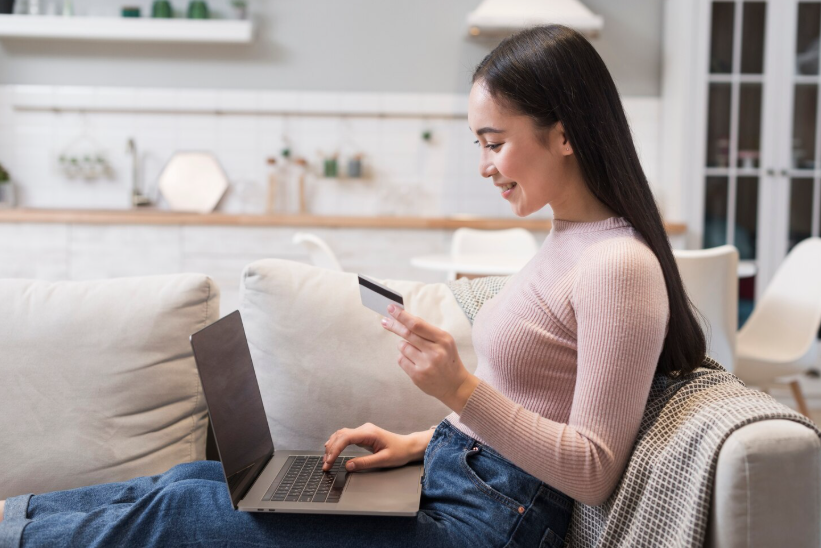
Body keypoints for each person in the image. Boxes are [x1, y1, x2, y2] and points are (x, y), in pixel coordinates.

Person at [0, 24, 706, 548]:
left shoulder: (618, 266)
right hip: (461, 484)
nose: (485, 166)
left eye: (495, 142)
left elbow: (591, 470)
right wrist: (420, 443)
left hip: (490, 526)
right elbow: (533, 402)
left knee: (180, 514)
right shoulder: (566, 239)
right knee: (191, 482)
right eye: (478, 145)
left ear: (564, 134)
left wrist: (460, 390)